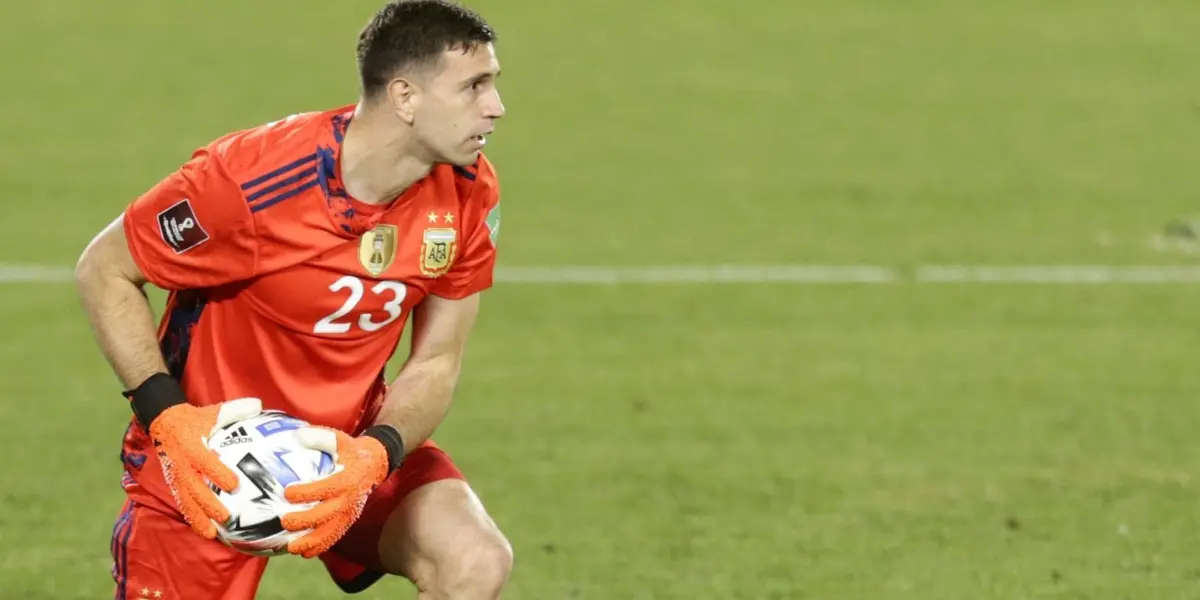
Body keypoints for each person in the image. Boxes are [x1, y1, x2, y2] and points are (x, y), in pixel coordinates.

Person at [74, 1, 511, 598]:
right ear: (405, 97)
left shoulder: (467, 192)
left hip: (347, 450)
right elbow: (104, 269)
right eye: (473, 87)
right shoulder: (251, 181)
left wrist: (374, 456)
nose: (496, 107)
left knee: (474, 560)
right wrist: (168, 419)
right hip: (210, 463)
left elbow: (437, 359)